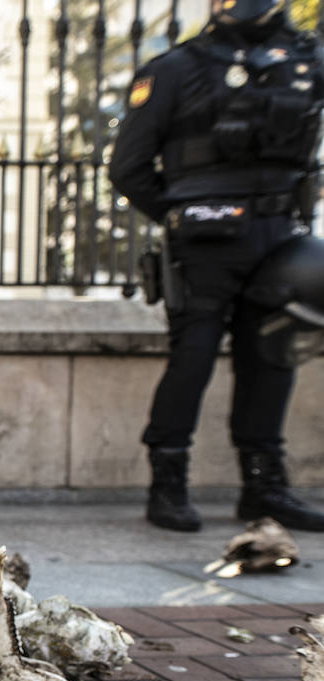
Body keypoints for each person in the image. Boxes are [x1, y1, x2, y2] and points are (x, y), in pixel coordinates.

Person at [109, 0, 324, 532]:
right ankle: (168, 485)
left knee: (272, 359)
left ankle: (264, 488)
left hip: (279, 236)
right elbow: (128, 167)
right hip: (203, 244)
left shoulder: (308, 59)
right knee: (193, 358)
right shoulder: (174, 69)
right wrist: (181, 217)